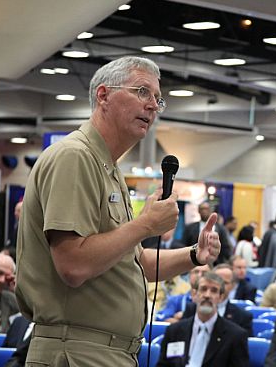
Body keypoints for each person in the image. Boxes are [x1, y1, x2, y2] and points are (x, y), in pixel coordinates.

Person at [15, 56, 222, 366]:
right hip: (77, 350)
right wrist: (145, 224)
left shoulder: (108, 169)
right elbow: (73, 265)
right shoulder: (75, 157)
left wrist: (193, 255)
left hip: (106, 351)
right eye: (141, 91)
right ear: (103, 96)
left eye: (157, 98)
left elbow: (136, 261)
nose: (152, 105)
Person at [157, 271, 249, 367]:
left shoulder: (236, 336)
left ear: (221, 297)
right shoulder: (174, 331)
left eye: (214, 290)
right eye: (203, 289)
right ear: (194, 294)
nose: (207, 295)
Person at [182, 264, 253, 336]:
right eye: (216, 280)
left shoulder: (243, 317)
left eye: (224, 283)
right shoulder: (191, 309)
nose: (220, 285)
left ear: (232, 286)